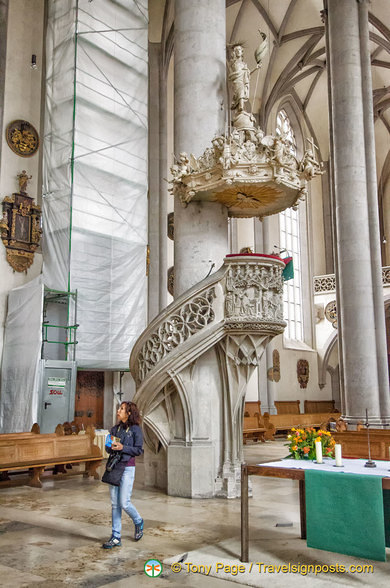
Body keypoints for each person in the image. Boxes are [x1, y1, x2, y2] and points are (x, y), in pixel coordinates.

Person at [102, 401, 144, 549]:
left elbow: (139, 450)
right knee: (115, 504)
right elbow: (108, 449)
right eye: (119, 408)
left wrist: (123, 447)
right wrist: (110, 446)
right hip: (114, 467)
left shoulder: (136, 430)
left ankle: (138, 520)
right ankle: (115, 536)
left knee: (124, 502)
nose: (118, 411)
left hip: (127, 468)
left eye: (121, 409)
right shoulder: (115, 429)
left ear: (129, 413)